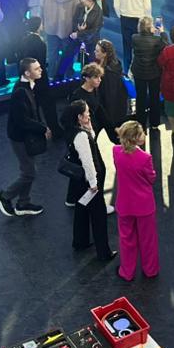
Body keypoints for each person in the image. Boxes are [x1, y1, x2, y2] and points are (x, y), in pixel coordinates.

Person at [0, 58, 50, 218]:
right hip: (19, 138)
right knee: (29, 173)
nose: (41, 70)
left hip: (26, 136)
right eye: (37, 69)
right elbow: (22, 120)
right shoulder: (20, 91)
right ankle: (4, 196)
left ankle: (23, 203)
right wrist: (43, 128)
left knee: (28, 170)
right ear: (27, 73)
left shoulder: (28, 86)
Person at [63, 100, 115, 261]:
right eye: (86, 112)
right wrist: (93, 183)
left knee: (81, 209)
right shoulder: (81, 136)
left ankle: (80, 241)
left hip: (79, 182)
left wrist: (89, 127)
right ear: (79, 116)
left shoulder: (73, 131)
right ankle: (104, 253)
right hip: (89, 182)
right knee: (99, 217)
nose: (89, 114)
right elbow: (88, 161)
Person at [113, 121, 158, 281]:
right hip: (144, 205)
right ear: (135, 138)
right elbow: (151, 178)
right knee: (147, 240)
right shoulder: (145, 158)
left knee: (126, 239)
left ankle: (127, 271)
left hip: (125, 204)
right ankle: (150, 270)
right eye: (141, 133)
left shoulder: (116, 151)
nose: (144, 134)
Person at [113, 0, 151, 67]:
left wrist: (120, 15)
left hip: (125, 19)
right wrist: (148, 20)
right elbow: (147, 6)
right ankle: (139, 68)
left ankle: (127, 69)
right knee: (140, 46)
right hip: (140, 20)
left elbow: (116, 5)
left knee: (127, 46)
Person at [130, 17, 166, 131]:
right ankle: (154, 123)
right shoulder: (157, 40)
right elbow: (166, 46)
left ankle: (141, 123)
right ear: (150, 27)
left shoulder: (134, 38)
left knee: (140, 97)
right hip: (154, 73)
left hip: (139, 72)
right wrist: (162, 33)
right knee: (154, 97)